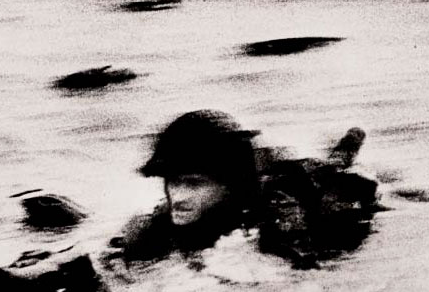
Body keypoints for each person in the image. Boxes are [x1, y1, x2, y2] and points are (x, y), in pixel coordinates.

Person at [102, 110, 382, 274]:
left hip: (317, 189)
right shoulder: (168, 217)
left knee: (333, 172)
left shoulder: (279, 213)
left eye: (194, 183)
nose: (179, 196)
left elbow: (305, 275)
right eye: (173, 182)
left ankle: (348, 147)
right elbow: (118, 259)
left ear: (230, 185)